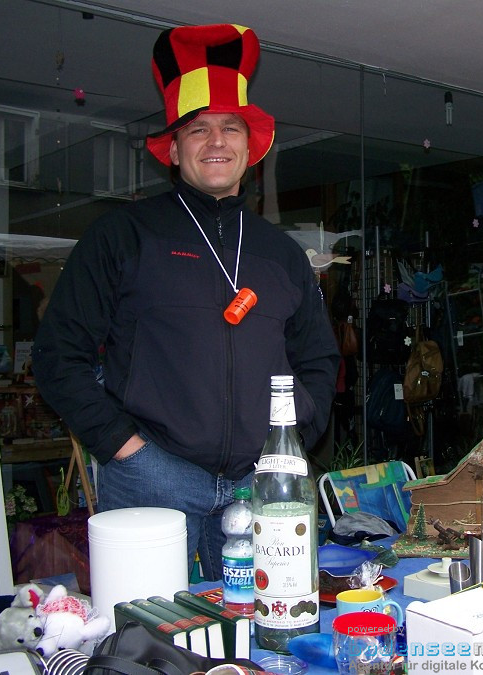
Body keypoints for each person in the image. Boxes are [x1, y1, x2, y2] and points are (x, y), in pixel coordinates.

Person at [32, 24, 340, 580]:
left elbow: (318, 362)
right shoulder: (124, 235)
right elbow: (59, 355)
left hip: (260, 487)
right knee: (148, 645)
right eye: (198, 130)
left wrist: (290, 443)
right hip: (151, 478)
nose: (216, 141)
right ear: (173, 149)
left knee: (258, 637)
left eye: (230, 128)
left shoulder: (283, 255)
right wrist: (125, 448)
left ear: (253, 147)